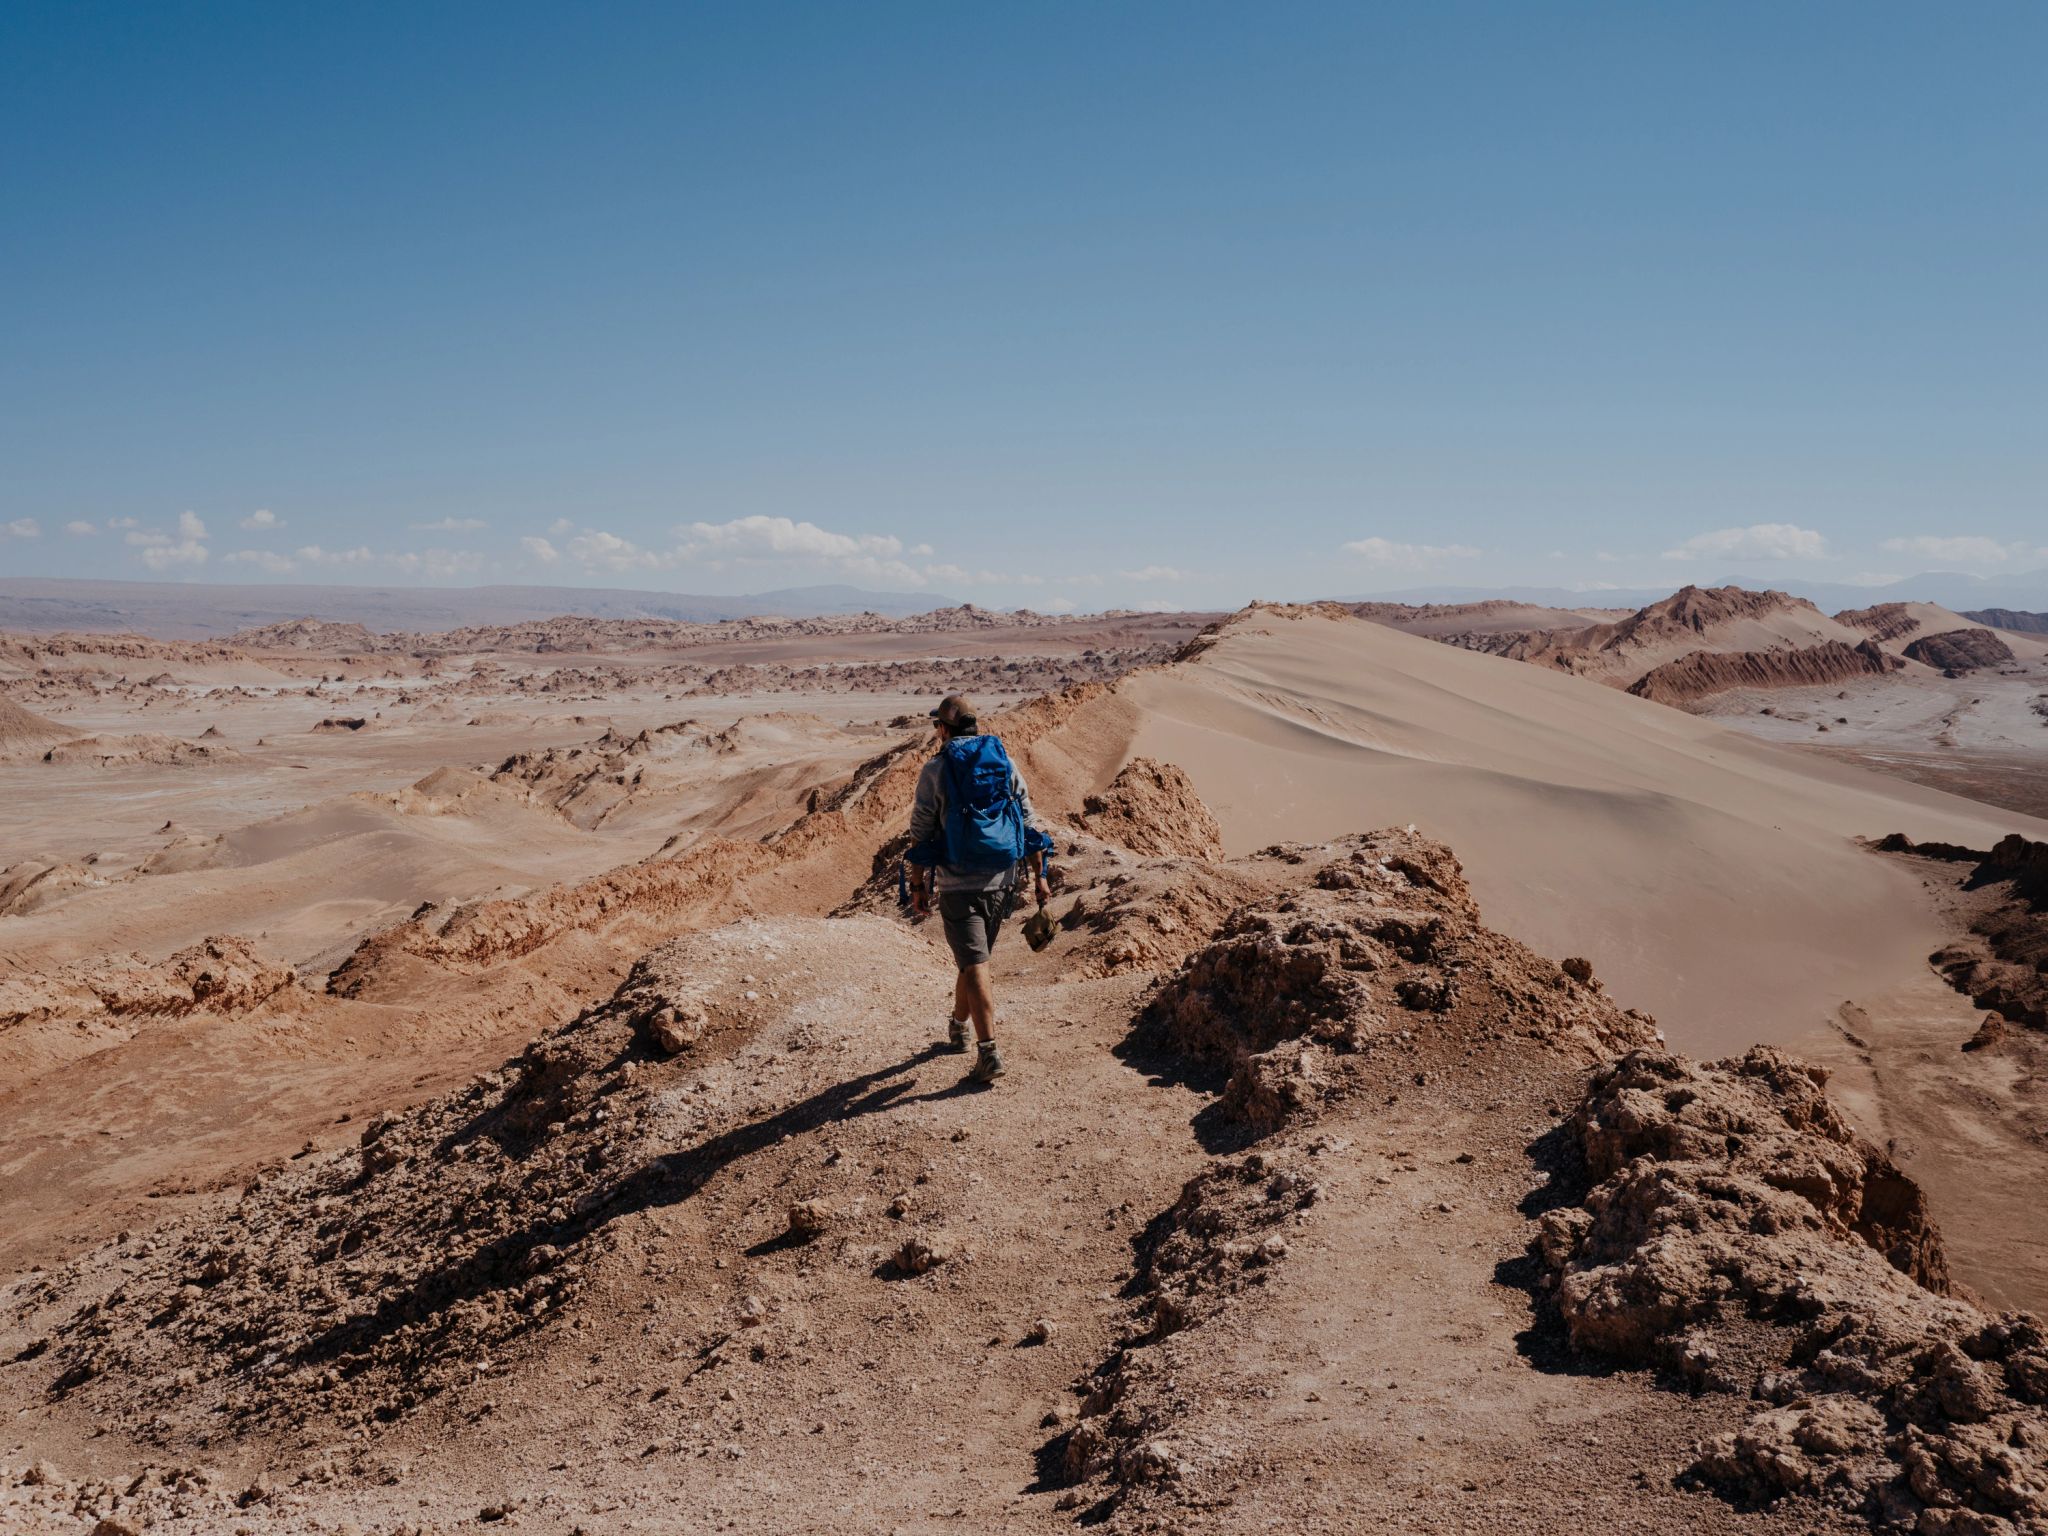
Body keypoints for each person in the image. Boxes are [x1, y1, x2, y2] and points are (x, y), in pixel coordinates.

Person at [906, 693, 1050, 1084]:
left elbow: (921, 831)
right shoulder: (1002, 760)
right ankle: (958, 1026)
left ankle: (988, 1053)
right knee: (973, 960)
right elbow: (1027, 818)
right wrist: (1039, 874)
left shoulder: (936, 769)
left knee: (976, 964)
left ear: (943, 729)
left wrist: (917, 883)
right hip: (1003, 879)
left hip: (958, 882)